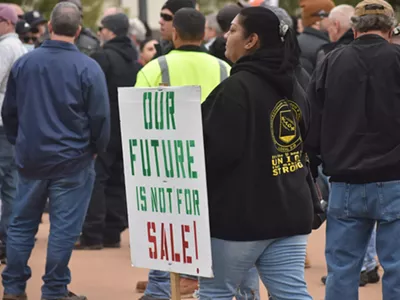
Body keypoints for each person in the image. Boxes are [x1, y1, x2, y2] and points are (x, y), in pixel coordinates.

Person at [200, 6, 313, 300]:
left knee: (215, 293)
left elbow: (214, 155)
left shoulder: (235, 90)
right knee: (291, 293)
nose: (226, 35)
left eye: (234, 30)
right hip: (290, 210)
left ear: (251, 41)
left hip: (240, 218)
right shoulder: (293, 87)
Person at [1, 2, 110, 300]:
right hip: (72, 159)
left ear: (50, 27)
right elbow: (100, 116)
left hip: (31, 157)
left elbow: (9, 110)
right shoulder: (88, 67)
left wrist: (18, 141)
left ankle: (13, 287)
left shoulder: (25, 63)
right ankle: (54, 288)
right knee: (64, 228)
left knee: (22, 224)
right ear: (78, 30)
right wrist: (96, 149)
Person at [133, 8, 239, 300]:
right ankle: (208, 284)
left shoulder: (154, 68)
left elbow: (138, 119)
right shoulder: (225, 67)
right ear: (205, 33)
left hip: (170, 161)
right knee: (212, 225)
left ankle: (159, 288)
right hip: (216, 159)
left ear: (175, 33)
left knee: (165, 226)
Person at [305, 0, 400, 299]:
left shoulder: (331, 61)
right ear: (391, 28)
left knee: (342, 270)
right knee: (397, 268)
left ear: (354, 29)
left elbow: (311, 121)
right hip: (394, 178)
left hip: (345, 180)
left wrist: (316, 162)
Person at [75, 13, 141, 250]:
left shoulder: (102, 57)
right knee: (118, 179)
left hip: (105, 126)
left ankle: (93, 234)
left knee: (97, 178)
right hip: (128, 125)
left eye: (102, 27)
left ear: (110, 31)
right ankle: (113, 232)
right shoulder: (134, 58)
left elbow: (91, 93)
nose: (100, 31)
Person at [0, 4, 27, 266]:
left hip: (2, 121)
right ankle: (9, 243)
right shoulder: (16, 45)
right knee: (11, 186)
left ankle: (6, 242)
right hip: (11, 120)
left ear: (9, 23)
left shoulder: (6, 46)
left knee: (8, 185)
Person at [297, 0, 335, 74]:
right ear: (317, 21)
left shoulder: (296, 41)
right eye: (330, 15)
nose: (333, 19)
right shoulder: (323, 47)